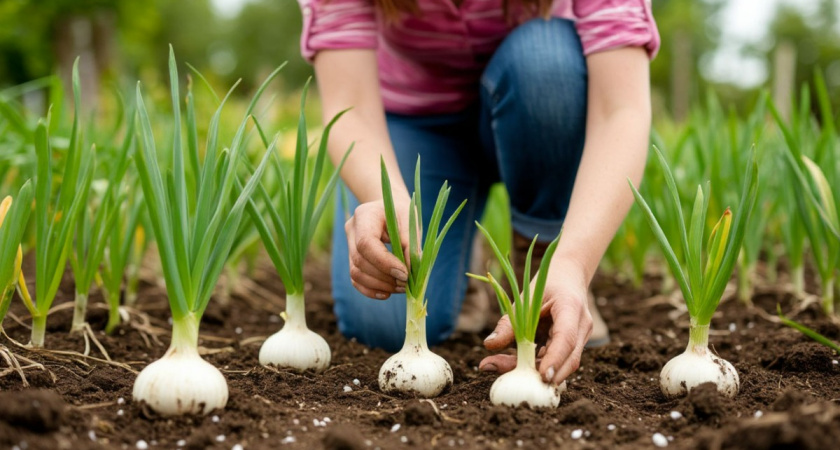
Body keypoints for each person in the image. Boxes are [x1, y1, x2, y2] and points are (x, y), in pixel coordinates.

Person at [301, 0, 659, 387]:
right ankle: (459, 262)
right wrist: (387, 198)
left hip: (534, 101)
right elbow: (346, 106)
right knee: (383, 321)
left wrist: (574, 260)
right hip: (418, 121)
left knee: (545, 64)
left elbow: (620, 111)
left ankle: (544, 263)